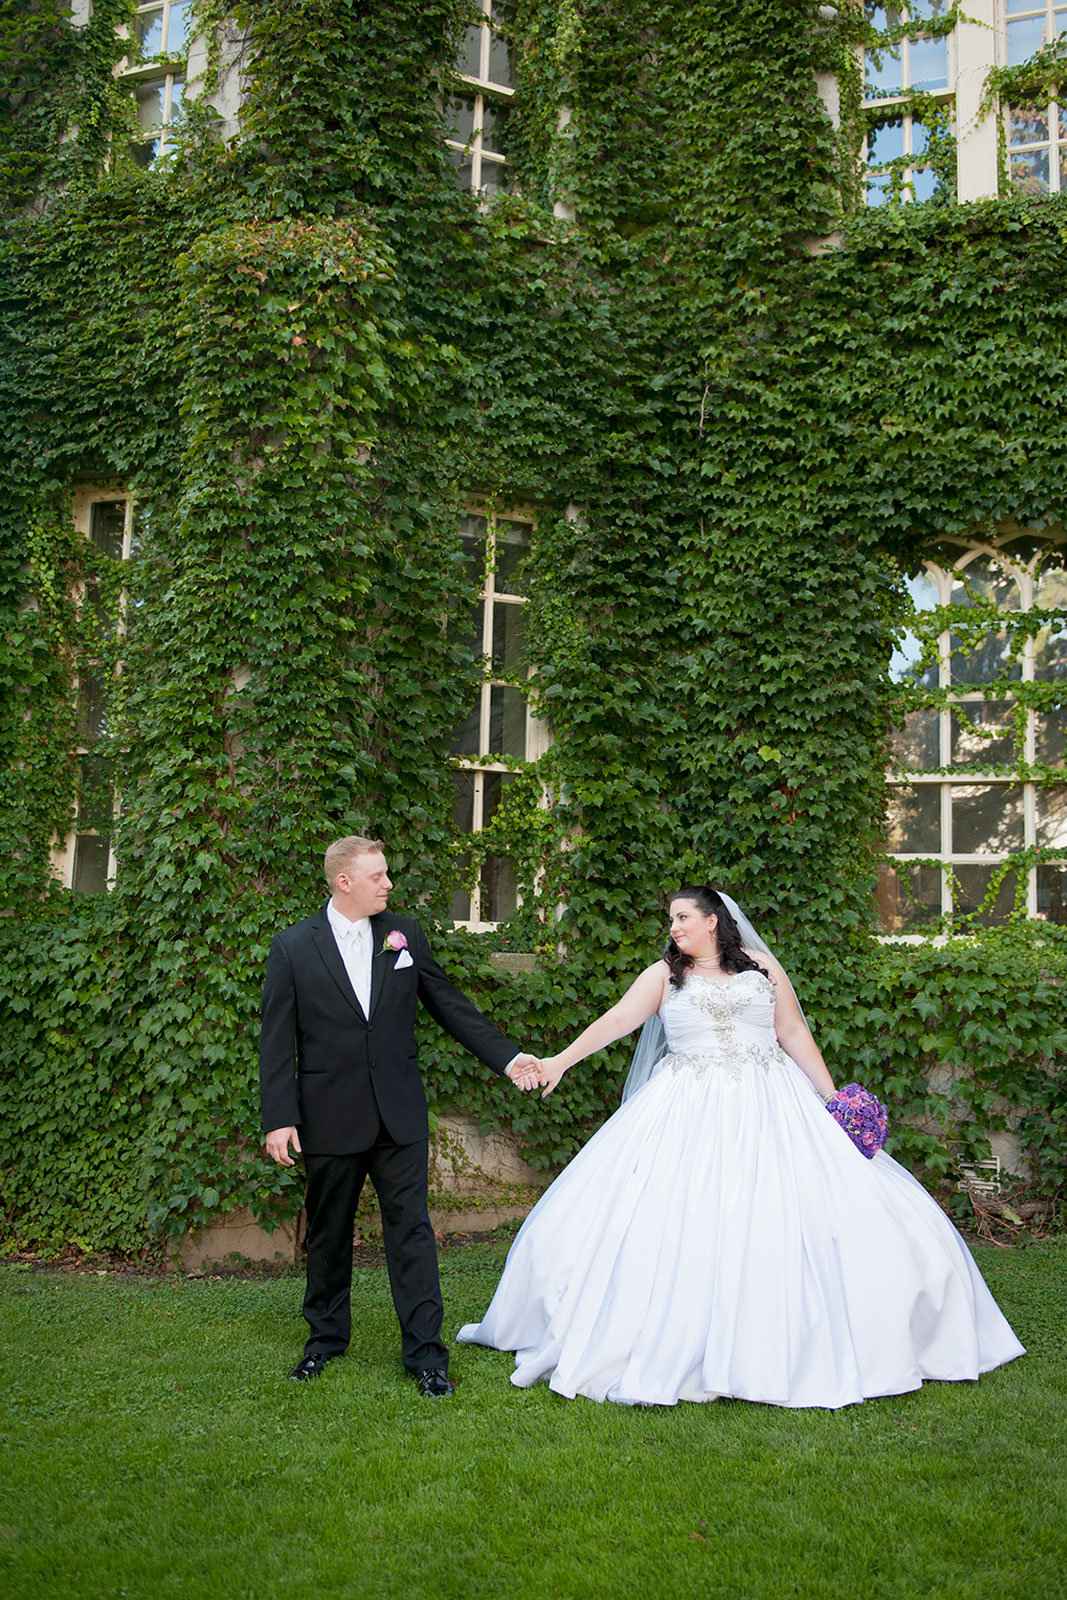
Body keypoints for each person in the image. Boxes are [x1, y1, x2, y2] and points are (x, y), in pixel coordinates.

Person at [458, 885, 1025, 1408]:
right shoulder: (663, 976)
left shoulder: (762, 968)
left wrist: (834, 1100)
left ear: (713, 922)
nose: (674, 927)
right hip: (686, 1102)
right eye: (671, 919)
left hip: (773, 1098)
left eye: (683, 917)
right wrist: (558, 1062)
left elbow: (793, 1032)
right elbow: (617, 1023)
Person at [260, 834, 541, 1396]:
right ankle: (323, 1342)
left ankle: (426, 1355)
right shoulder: (292, 946)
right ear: (344, 882)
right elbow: (276, 1040)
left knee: (412, 1231)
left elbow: (449, 1004)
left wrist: (509, 1059)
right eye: (378, 876)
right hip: (329, 1114)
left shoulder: (404, 934)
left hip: (398, 1112)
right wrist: (279, 1117)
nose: (388, 884)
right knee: (329, 1234)